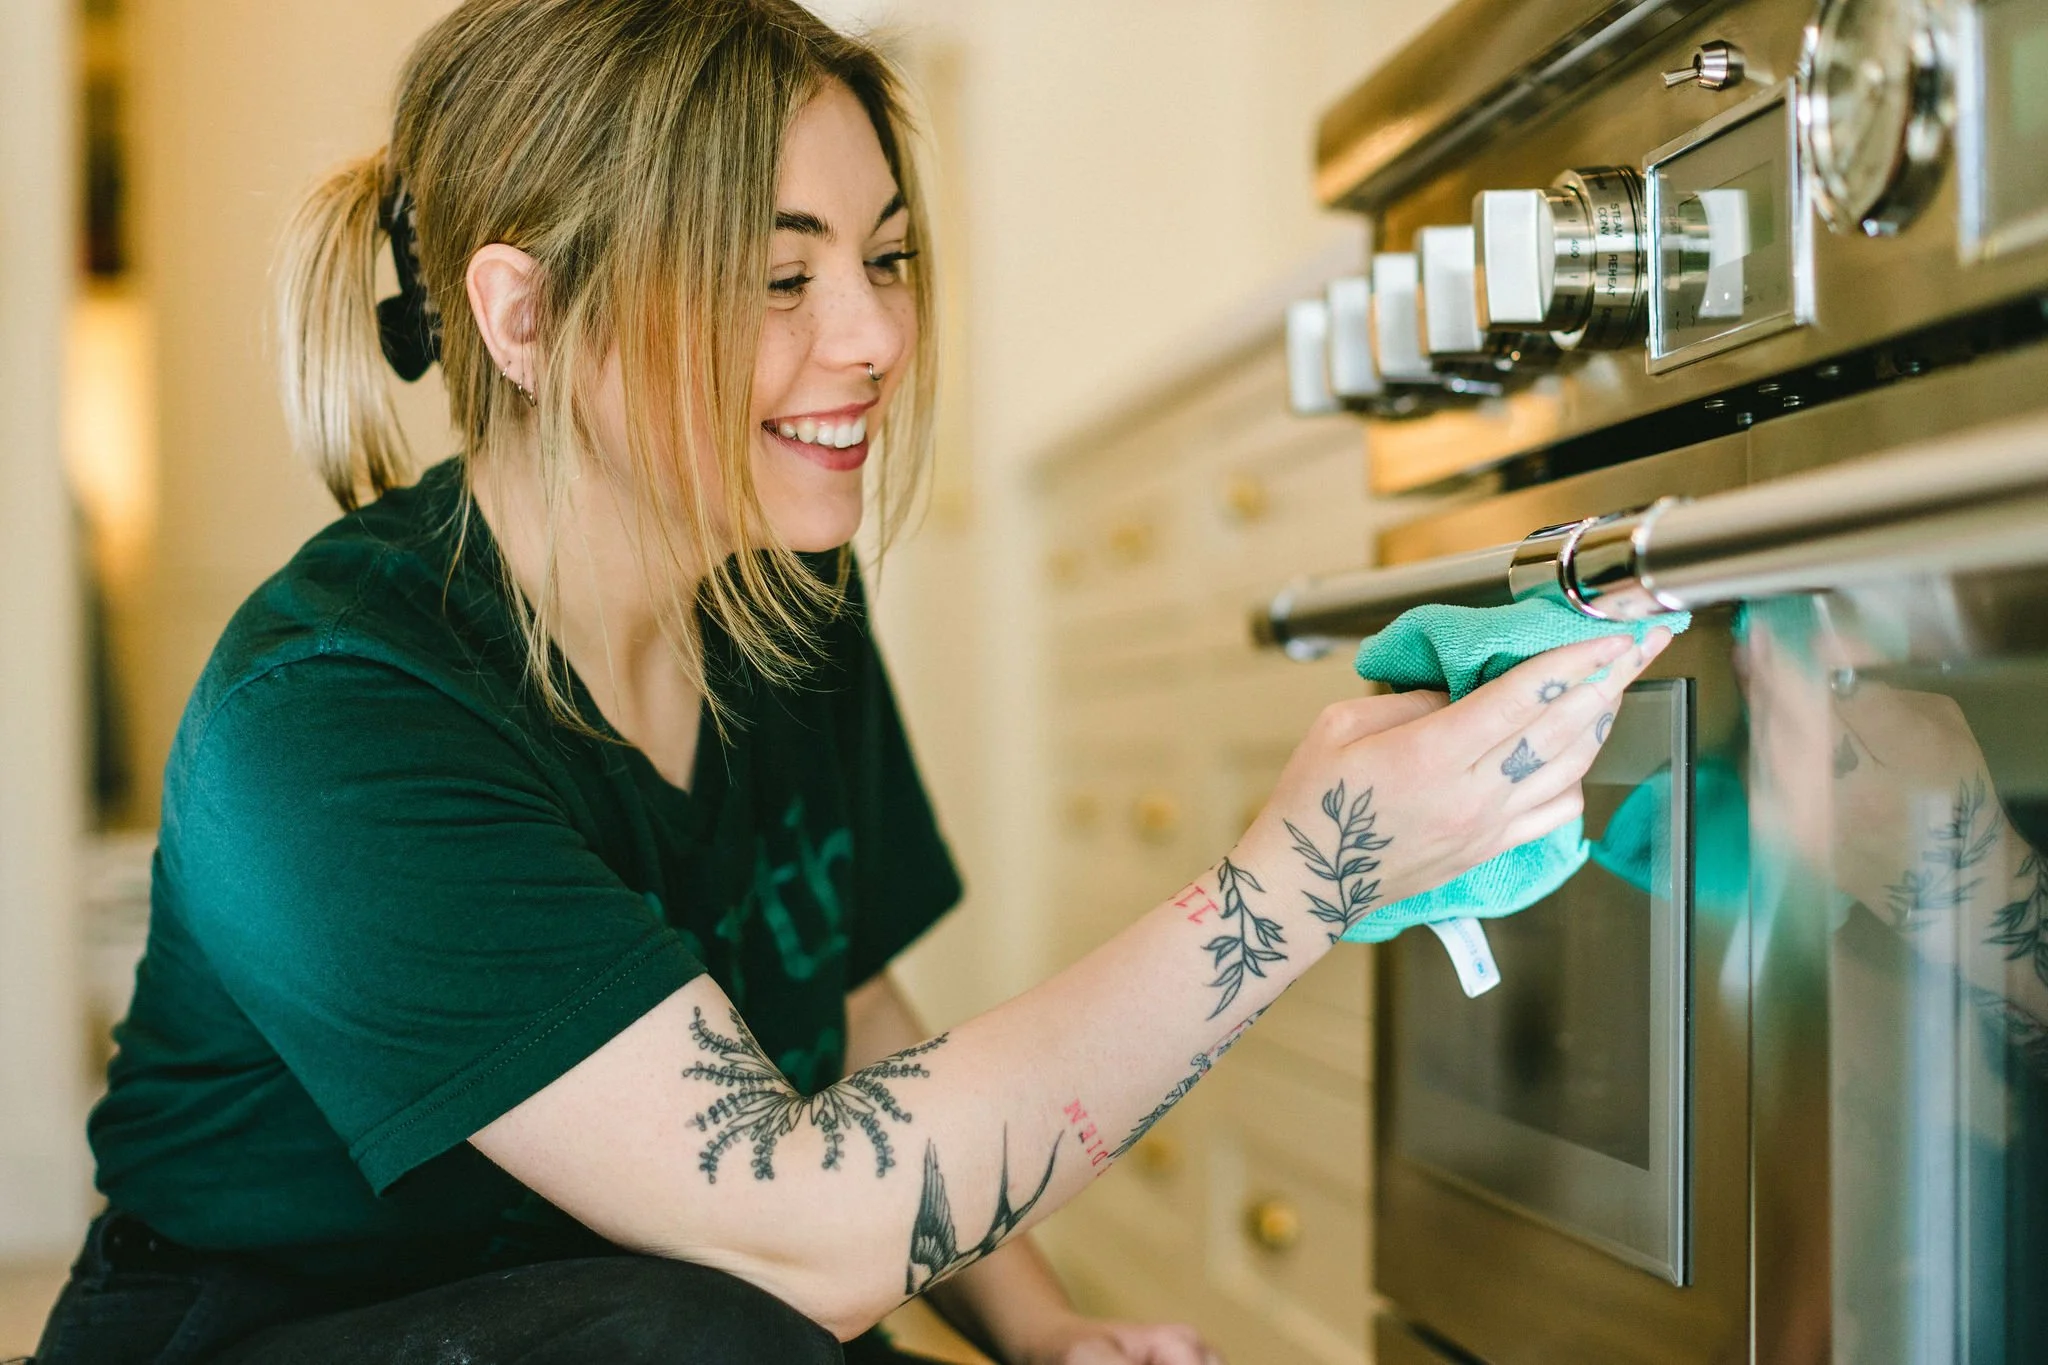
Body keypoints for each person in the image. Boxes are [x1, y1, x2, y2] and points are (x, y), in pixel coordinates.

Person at [30, 2, 1665, 1361]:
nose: (875, 335)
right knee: (735, 1322)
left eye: (883, 259)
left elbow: (831, 998)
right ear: (523, 316)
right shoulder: (331, 718)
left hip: (650, 1303)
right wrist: (1310, 877)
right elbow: (798, 1222)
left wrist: (1044, 1337)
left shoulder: (774, 584)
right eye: (778, 276)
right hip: (287, 1335)